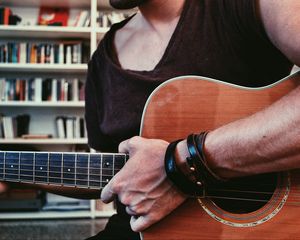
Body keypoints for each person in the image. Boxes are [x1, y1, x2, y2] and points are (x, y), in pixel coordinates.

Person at [0, 0, 299, 239]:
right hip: (141, 231)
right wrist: (13, 170)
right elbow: (113, 175)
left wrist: (181, 165)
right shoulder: (103, 59)